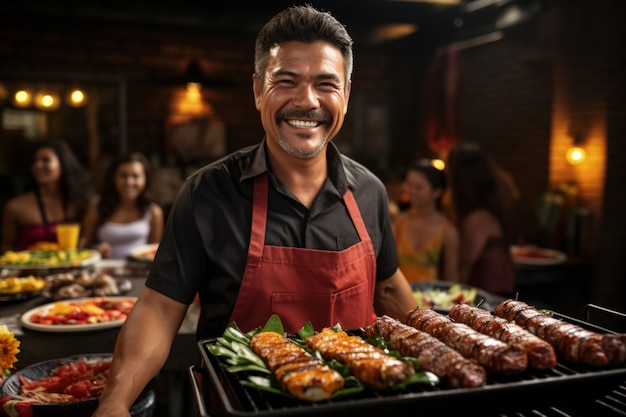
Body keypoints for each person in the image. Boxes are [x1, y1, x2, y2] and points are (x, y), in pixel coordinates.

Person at [92, 5, 417, 416]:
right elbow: (159, 308)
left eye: (325, 84)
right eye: (287, 81)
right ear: (258, 90)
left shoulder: (369, 191)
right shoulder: (206, 194)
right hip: (237, 406)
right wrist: (116, 400)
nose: (306, 100)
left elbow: (388, 288)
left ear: (346, 95)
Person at [445, 142, 518, 296]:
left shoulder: (476, 219)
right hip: (498, 288)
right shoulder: (490, 208)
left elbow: (465, 267)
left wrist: (450, 295)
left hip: (488, 294)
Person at [1, 140, 92, 252]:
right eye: (35, 161)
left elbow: (87, 242)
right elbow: (6, 248)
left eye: (45, 160)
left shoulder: (78, 203)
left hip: (71, 267)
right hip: (28, 268)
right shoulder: (15, 207)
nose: (38, 165)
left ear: (63, 164)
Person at [80, 152, 164, 259]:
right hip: (104, 271)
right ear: (113, 178)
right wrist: (96, 250)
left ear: (145, 179)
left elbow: (155, 253)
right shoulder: (97, 206)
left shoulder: (154, 212)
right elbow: (83, 245)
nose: (129, 182)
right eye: (123, 176)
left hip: (141, 273)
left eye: (135, 176)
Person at [393, 159, 459, 283]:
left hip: (430, 297)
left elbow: (451, 277)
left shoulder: (448, 231)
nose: (410, 191)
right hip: (399, 294)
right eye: (409, 184)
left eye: (418, 187)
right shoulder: (399, 221)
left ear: (436, 192)